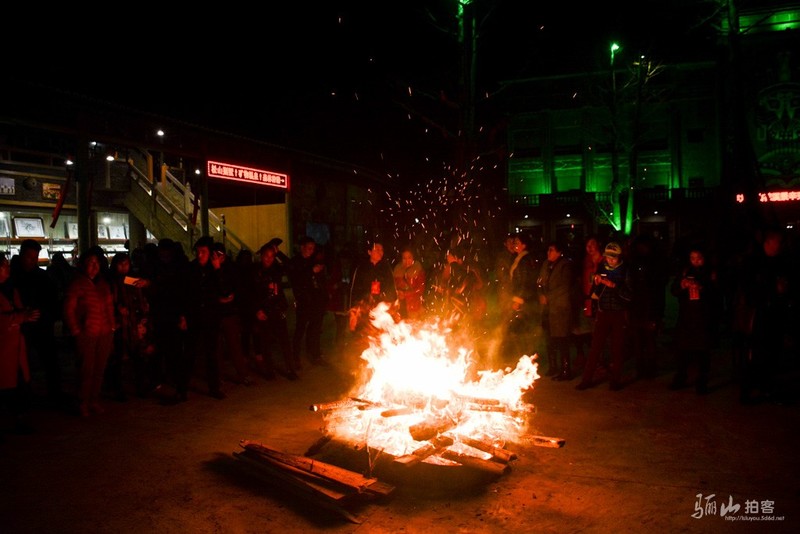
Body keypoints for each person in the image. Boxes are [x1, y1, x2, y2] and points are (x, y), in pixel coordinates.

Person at [735, 228, 796, 404]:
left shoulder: (782, 261)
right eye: (778, 242)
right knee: (754, 353)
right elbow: (747, 289)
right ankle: (747, 389)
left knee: (772, 352)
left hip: (775, 313)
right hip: (758, 315)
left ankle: (766, 386)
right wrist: (773, 290)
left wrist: (784, 292)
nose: (781, 246)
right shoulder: (753, 262)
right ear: (768, 242)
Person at [10, 239, 64, 408]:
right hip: (21, 327)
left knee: (50, 360)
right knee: (21, 364)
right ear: (21, 254)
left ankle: (53, 393)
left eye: (35, 257)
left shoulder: (42, 276)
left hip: (42, 324)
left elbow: (53, 298)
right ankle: (22, 398)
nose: (32, 261)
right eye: (29, 257)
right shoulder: (11, 276)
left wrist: (47, 315)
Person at [63, 247, 116, 417]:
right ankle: (83, 402)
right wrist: (76, 330)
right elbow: (68, 309)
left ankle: (94, 400)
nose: (94, 266)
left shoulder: (103, 284)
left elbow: (109, 307)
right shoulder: (77, 284)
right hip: (87, 333)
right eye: (90, 262)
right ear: (83, 264)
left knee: (99, 369)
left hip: (104, 332)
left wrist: (112, 327)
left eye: (97, 262)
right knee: (86, 370)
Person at [575, 241, 634, 391]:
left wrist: (613, 286)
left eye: (613, 257)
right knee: (595, 347)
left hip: (618, 313)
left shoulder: (625, 270)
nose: (610, 260)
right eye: (608, 257)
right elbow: (594, 289)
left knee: (617, 348)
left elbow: (630, 295)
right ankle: (587, 379)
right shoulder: (602, 267)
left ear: (619, 257)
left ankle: (615, 380)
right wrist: (596, 282)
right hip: (602, 313)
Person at [668, 246, 721, 395]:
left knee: (703, 353)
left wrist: (702, 288)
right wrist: (682, 285)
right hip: (687, 318)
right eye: (692, 258)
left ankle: (702, 382)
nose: (695, 261)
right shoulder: (685, 271)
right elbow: (674, 290)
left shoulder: (711, 273)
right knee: (683, 351)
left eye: (699, 258)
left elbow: (717, 295)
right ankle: (681, 377)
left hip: (704, 318)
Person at [0, 252, 40, 436]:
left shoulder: (11, 288)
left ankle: (20, 419)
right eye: (4, 265)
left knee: (19, 384)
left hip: (16, 346)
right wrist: (20, 317)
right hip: (4, 347)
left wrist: (26, 314)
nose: (7, 268)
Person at [105, 252, 151, 401]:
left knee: (138, 356)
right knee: (118, 358)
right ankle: (118, 389)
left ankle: (140, 386)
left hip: (133, 323)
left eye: (126, 264)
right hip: (120, 325)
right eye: (121, 264)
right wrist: (118, 308)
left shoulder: (132, 279)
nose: (124, 267)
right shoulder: (111, 281)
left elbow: (142, 295)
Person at [184, 236, 226, 399]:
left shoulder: (214, 269)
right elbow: (184, 294)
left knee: (211, 354)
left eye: (203, 252)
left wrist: (217, 269)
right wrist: (183, 316)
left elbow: (223, 291)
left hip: (210, 318)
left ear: (210, 254)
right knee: (189, 353)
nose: (199, 255)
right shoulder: (191, 268)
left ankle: (214, 388)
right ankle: (182, 388)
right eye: (198, 251)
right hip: (194, 316)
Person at [627, 234, 669, 380]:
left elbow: (658, 290)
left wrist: (657, 314)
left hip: (649, 307)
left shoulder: (654, 265)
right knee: (640, 340)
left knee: (649, 339)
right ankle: (642, 368)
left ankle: (649, 368)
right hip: (639, 307)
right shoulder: (635, 263)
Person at [253, 243, 297, 380]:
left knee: (285, 342)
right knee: (265, 343)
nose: (269, 259)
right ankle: (269, 371)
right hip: (264, 311)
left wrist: (279, 253)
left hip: (277, 309)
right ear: (261, 256)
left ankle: (291, 370)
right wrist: (257, 310)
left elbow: (291, 267)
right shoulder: (255, 271)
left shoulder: (276, 268)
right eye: (266, 256)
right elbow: (250, 293)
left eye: (272, 256)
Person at [214, 243, 252, 386]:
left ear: (223, 255)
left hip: (229, 313)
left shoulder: (231, 269)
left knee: (234, 345)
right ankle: (219, 376)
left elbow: (232, 289)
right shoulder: (210, 269)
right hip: (216, 313)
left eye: (218, 255)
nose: (215, 258)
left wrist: (230, 298)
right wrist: (217, 299)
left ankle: (243, 374)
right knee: (217, 348)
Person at [287, 236, 329, 367]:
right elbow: (296, 279)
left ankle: (315, 354)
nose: (311, 251)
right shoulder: (295, 262)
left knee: (315, 329)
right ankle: (295, 357)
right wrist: (311, 271)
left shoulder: (313, 261)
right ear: (302, 247)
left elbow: (320, 281)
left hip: (316, 300)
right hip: (304, 300)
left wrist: (324, 297)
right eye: (309, 248)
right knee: (300, 329)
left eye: (313, 248)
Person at [537, 240, 575, 380]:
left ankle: (565, 370)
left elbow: (565, 286)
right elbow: (539, 281)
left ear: (559, 252)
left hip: (559, 308)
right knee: (549, 338)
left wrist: (548, 297)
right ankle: (553, 366)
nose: (548, 252)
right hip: (547, 309)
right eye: (548, 250)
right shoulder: (546, 265)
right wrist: (541, 294)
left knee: (561, 339)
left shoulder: (565, 265)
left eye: (552, 250)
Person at [501, 233, 540, 363]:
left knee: (524, 330)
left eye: (517, 242)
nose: (514, 244)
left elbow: (525, 281)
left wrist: (518, 299)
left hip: (525, 301)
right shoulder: (518, 258)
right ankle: (525, 359)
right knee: (520, 330)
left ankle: (529, 359)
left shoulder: (525, 260)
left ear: (524, 245)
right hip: (521, 299)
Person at [348, 240, 397, 337]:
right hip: (364, 309)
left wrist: (391, 306)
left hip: (380, 308)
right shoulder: (362, 268)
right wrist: (354, 313)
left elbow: (391, 288)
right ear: (369, 252)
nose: (380, 252)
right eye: (377, 249)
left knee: (380, 336)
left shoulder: (386, 268)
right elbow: (355, 290)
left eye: (381, 250)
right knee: (363, 336)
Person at [393, 247, 427, 321]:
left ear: (413, 258)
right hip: (399, 307)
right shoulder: (397, 270)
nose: (407, 260)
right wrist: (398, 293)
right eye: (404, 258)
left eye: (409, 257)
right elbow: (394, 286)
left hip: (414, 307)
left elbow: (420, 289)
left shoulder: (418, 270)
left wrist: (405, 294)